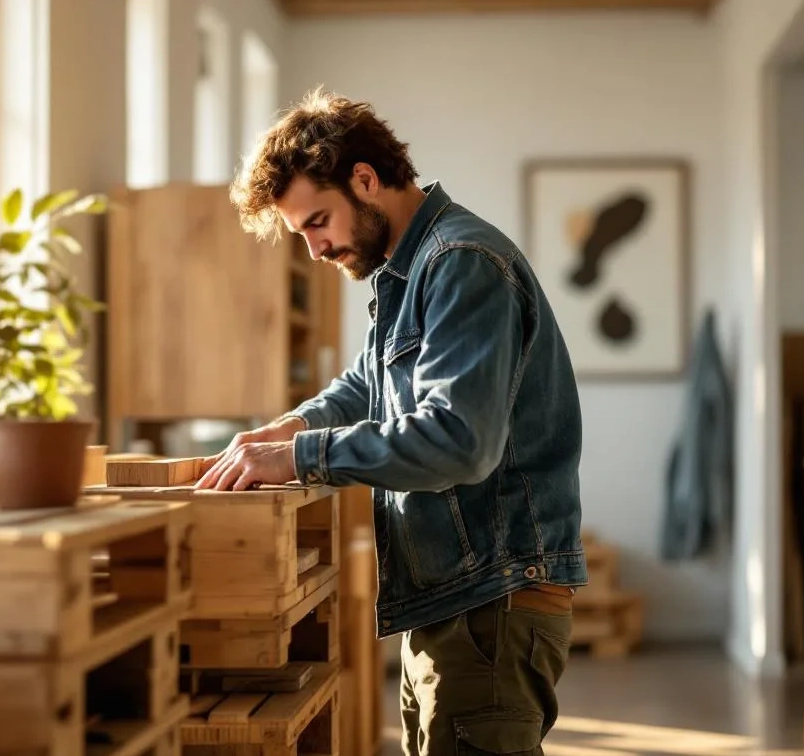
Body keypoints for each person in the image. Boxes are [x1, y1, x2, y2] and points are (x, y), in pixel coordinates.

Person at [194, 88, 588, 756]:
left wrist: (300, 457)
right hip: (456, 597)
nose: (315, 250)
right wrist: (284, 431)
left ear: (365, 179)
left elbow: (460, 442)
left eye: (318, 221)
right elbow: (364, 389)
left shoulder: (460, 263)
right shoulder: (405, 273)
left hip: (491, 601)